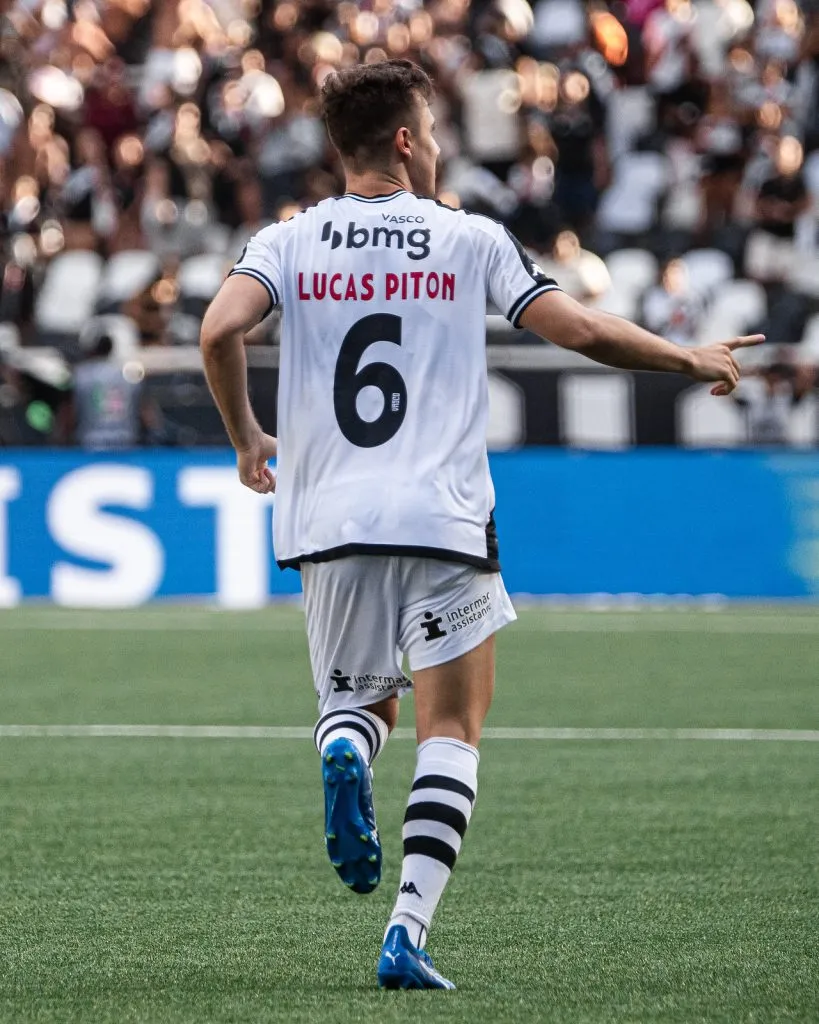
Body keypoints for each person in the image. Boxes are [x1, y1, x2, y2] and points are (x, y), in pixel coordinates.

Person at [199, 59, 762, 991]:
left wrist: (246, 436)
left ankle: (342, 743)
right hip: (445, 516)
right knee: (452, 725)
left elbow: (220, 331)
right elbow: (579, 331)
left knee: (358, 705)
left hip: (328, 515)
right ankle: (406, 933)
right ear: (411, 140)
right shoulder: (466, 239)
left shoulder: (287, 242)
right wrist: (685, 357)